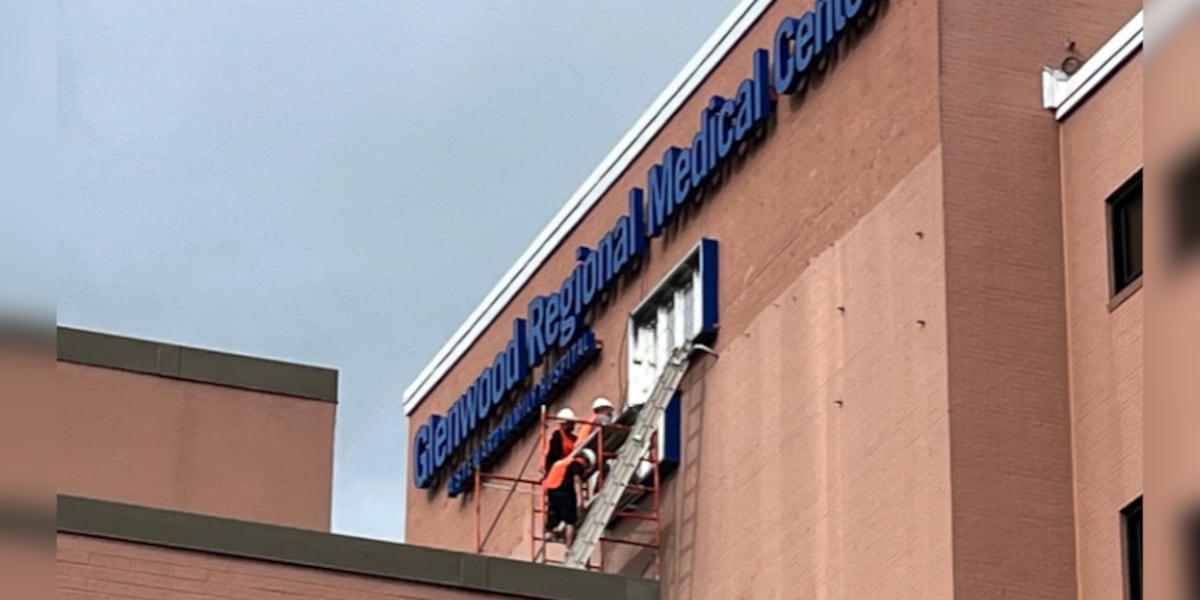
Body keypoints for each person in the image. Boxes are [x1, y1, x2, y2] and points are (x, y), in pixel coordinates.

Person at [543, 449, 594, 545]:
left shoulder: (564, 462)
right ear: (586, 461)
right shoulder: (577, 464)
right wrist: (580, 500)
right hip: (564, 490)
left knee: (554, 513)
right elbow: (577, 480)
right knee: (570, 519)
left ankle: (550, 532)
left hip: (552, 490)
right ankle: (569, 546)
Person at [543, 407, 577, 472]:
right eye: (571, 423)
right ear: (564, 424)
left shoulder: (573, 438)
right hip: (561, 469)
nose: (573, 425)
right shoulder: (557, 436)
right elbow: (554, 456)